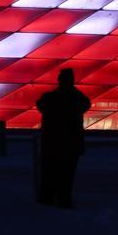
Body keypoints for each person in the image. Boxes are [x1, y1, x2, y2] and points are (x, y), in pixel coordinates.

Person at [35, 69, 91, 208]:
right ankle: (64, 200)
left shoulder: (49, 98)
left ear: (59, 80)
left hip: (51, 142)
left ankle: (46, 198)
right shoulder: (77, 99)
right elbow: (86, 104)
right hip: (71, 144)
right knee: (67, 175)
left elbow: (40, 104)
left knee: (48, 173)